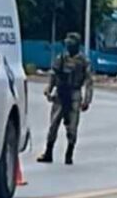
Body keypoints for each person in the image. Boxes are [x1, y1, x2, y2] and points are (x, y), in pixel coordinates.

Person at [38, 32, 93, 165]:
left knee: (72, 127)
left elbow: (89, 82)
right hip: (61, 94)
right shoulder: (61, 58)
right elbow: (53, 74)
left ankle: (69, 154)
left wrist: (87, 100)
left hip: (74, 94)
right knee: (53, 125)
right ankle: (48, 152)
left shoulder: (84, 61)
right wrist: (49, 89)